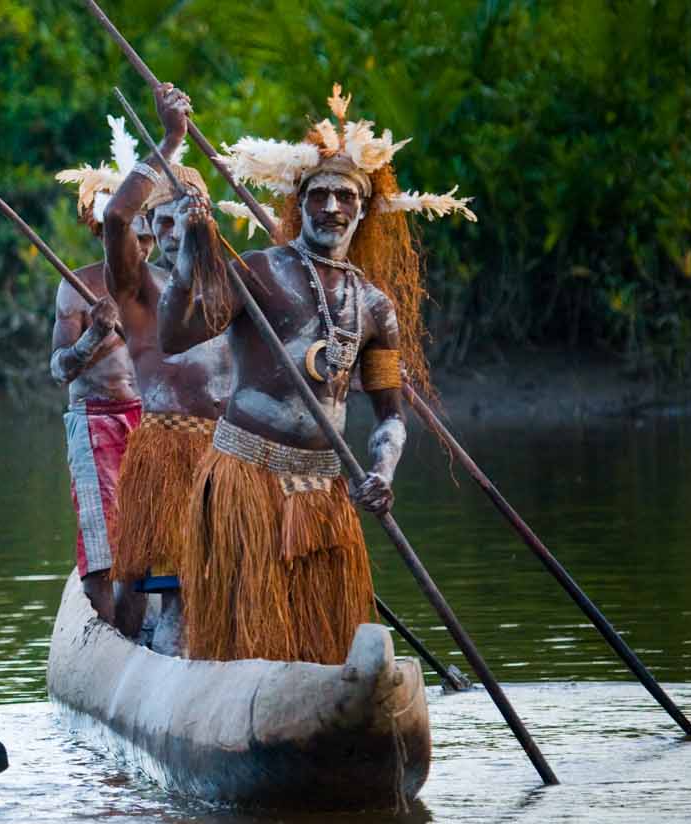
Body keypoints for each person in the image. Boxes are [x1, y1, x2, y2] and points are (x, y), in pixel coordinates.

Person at [167, 84, 473, 663]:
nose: (332, 207)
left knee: (325, 640)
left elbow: (389, 419)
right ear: (300, 203)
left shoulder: (376, 307)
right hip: (246, 479)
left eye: (345, 197)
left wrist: (381, 473)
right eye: (321, 195)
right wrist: (189, 253)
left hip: (326, 488)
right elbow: (173, 337)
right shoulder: (258, 273)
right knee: (251, 636)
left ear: (364, 209)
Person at [98, 85, 237, 652]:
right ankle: (161, 654)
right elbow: (114, 216)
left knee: (235, 586)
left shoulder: (238, 286)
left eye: (187, 219)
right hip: (171, 452)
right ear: (150, 231)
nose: (174, 232)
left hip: (233, 454)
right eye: (162, 222)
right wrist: (172, 141)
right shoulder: (140, 288)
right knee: (173, 592)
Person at [49, 127, 144, 632]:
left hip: (153, 419)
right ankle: (109, 642)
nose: (139, 243)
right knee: (103, 548)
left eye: (145, 233)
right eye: (128, 231)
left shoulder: (164, 282)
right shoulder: (78, 286)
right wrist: (95, 338)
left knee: (151, 544)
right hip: (95, 420)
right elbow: (58, 367)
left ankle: (144, 637)